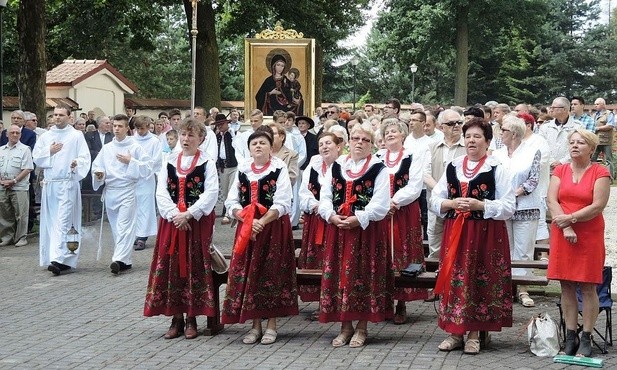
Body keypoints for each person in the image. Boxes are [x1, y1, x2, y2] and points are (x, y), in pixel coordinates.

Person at [429, 118, 515, 355]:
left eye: (477, 137)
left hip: (485, 234)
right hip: (456, 232)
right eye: (468, 136)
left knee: (478, 279)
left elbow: (509, 206)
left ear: (487, 142)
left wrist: (480, 205)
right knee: (456, 279)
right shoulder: (453, 166)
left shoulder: (497, 168)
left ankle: (475, 334)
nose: (471, 141)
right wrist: (451, 202)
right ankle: (455, 331)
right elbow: (434, 200)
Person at [144, 117, 219, 340]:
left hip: (196, 224)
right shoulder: (169, 161)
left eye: (191, 135)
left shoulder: (207, 163)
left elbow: (211, 193)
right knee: (172, 266)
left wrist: (190, 213)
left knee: (194, 266)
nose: (186, 139)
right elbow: (161, 192)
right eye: (183, 135)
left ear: (201, 139)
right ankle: (175, 317)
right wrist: (174, 215)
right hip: (172, 223)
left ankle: (192, 318)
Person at [318, 123, 392, 348]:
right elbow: (325, 195)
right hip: (339, 230)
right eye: (355, 138)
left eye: (365, 140)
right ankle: (344, 326)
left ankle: (361, 327)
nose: (359, 142)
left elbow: (381, 204)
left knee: (362, 276)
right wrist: (330, 215)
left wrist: (358, 218)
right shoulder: (337, 166)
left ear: (372, 144)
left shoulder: (379, 169)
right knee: (341, 277)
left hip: (365, 232)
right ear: (348, 141)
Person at [222, 129, 298, 345]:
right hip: (247, 229)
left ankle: (272, 325)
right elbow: (232, 200)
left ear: (270, 146)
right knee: (250, 275)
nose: (258, 146)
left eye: (263, 143)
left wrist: (261, 222)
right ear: (249, 148)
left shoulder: (279, 168)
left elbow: (283, 201)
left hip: (272, 229)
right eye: (254, 143)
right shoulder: (243, 169)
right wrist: (244, 218)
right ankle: (254, 325)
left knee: (271, 274)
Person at [547, 128, 611, 357]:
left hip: (589, 233)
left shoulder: (601, 172)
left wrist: (572, 218)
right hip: (563, 231)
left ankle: (587, 336)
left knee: (588, 286)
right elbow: (552, 200)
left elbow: (598, 206)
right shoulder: (560, 170)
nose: (575, 146)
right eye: (572, 142)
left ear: (592, 149)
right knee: (565, 285)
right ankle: (570, 336)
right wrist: (566, 226)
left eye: (581, 143)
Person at [376, 118, 426, 324]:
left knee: (403, 254)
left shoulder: (412, 156)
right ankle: (383, 301)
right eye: (387, 132)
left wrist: (394, 201)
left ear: (403, 135)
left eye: (394, 131)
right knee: (384, 253)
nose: (390, 134)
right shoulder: (377, 157)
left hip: (404, 212)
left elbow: (415, 185)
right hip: (382, 212)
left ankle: (401, 303)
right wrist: (382, 204)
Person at [33, 106, 91, 275]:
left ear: (69, 117)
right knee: (51, 221)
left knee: (63, 221)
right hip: (50, 184)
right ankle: (61, 258)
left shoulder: (76, 136)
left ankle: (58, 259)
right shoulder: (46, 136)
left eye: (61, 115)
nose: (57, 118)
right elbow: (36, 157)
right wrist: (49, 151)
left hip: (67, 183)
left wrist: (76, 164)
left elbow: (84, 157)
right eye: (55, 115)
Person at [91, 114, 152, 274]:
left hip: (127, 190)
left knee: (124, 225)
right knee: (116, 228)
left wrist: (131, 161)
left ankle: (117, 259)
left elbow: (147, 167)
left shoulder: (135, 147)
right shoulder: (107, 148)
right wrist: (99, 173)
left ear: (127, 128)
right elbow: (97, 165)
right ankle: (125, 261)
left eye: (120, 126)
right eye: (114, 126)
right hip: (111, 190)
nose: (116, 129)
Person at [493, 115, 542, 308]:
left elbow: (533, 179)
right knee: (505, 248)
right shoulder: (497, 154)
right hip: (503, 208)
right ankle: (505, 288)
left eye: (503, 130)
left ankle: (522, 289)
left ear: (513, 133)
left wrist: (513, 194)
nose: (500, 133)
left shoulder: (532, 152)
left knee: (523, 250)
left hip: (525, 206)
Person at [297, 132, 343, 313]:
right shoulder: (314, 165)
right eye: (321, 143)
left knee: (335, 259)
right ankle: (321, 302)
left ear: (338, 146)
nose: (324, 147)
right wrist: (315, 205)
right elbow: (304, 192)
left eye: (328, 143)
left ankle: (338, 300)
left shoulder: (344, 165)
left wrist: (328, 209)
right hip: (315, 220)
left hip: (335, 220)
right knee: (317, 260)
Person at [0, 124, 34, 247]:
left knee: (21, 213)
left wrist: (14, 181)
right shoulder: (1, 150)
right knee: (4, 214)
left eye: (17, 133)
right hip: (2, 186)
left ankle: (21, 237)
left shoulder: (25, 149)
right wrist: (1, 181)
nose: (14, 135)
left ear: (20, 135)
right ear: (6, 134)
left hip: (19, 186)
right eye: (12, 132)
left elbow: (27, 168)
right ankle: (7, 237)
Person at [133, 116, 163, 250]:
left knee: (145, 207)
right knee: (134, 208)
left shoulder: (154, 141)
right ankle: (135, 233)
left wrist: (142, 166)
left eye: (142, 128)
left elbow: (156, 160)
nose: (140, 131)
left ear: (148, 127)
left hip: (146, 178)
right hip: (133, 178)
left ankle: (142, 237)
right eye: (138, 128)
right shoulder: (131, 140)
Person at [591, 98, 615, 177]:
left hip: (606, 141)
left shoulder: (609, 114)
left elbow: (610, 125)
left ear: (603, 105)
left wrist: (597, 128)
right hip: (595, 140)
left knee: (608, 160)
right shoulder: (594, 115)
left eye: (597, 104)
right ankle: (593, 176)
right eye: (595, 104)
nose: (595, 106)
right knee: (592, 158)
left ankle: (610, 177)